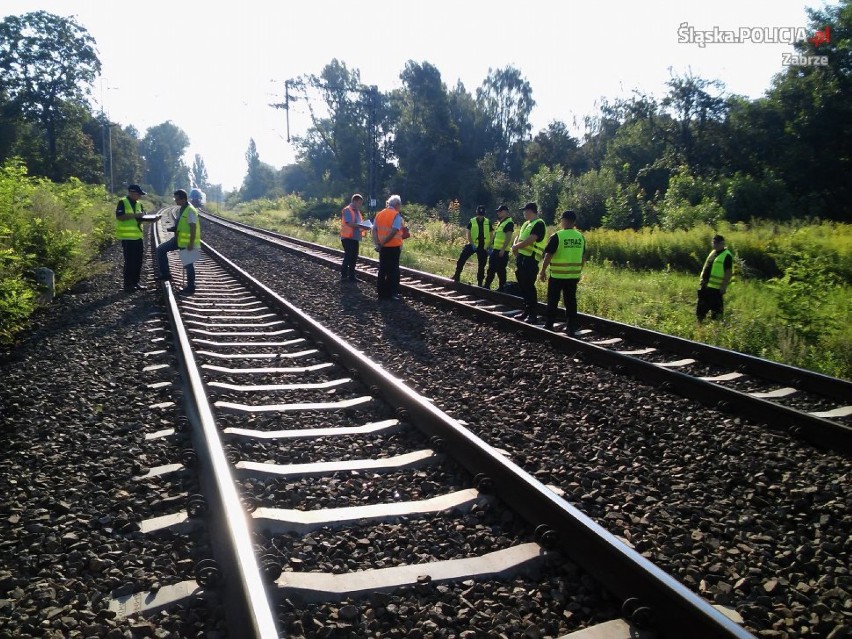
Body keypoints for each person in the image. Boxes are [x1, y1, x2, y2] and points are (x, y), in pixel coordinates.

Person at [539, 210, 586, 334]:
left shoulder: (557, 236)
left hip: (557, 275)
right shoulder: (580, 237)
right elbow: (583, 256)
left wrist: (542, 271)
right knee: (571, 301)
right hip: (573, 275)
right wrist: (579, 271)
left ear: (564, 221)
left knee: (553, 299)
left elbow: (548, 255)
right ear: (574, 222)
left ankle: (549, 324)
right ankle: (571, 326)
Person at [157, 189, 201, 295]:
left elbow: (193, 227)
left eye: (176, 199)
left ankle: (191, 287)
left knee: (188, 265)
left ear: (183, 199)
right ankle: (166, 274)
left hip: (186, 242)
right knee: (160, 249)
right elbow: (182, 225)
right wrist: (173, 229)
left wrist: (191, 243)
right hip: (178, 240)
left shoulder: (190, 210)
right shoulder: (182, 208)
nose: (175, 201)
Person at [511, 202, 548, 323]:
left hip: (531, 259)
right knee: (523, 286)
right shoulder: (527, 224)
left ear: (531, 211)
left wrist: (516, 246)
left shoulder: (539, 223)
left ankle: (532, 314)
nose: (524, 213)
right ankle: (526, 310)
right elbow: (519, 237)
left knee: (529, 287)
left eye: (525, 210)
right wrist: (515, 247)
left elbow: (532, 239)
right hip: (522, 258)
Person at [115, 184, 149, 292]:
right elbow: (120, 216)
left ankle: (136, 282)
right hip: (127, 238)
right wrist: (136, 215)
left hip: (138, 237)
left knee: (138, 261)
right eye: (138, 194)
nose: (140, 197)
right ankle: (128, 285)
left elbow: (141, 217)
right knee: (129, 261)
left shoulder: (139, 204)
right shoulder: (123, 202)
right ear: (132, 193)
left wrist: (146, 218)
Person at [372, 194, 405, 301]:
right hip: (393, 247)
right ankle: (392, 293)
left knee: (382, 270)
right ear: (397, 204)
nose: (400, 207)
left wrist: (377, 243)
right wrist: (382, 243)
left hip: (383, 248)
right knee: (393, 271)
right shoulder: (396, 215)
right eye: (400, 205)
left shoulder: (379, 214)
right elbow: (393, 231)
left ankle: (381, 293)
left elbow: (374, 230)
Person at [696, 234, 733, 321]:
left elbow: (728, 272)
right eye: (713, 243)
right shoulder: (713, 252)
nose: (714, 245)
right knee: (701, 307)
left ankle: (716, 328)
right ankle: (699, 324)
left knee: (716, 310)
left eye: (717, 243)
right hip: (705, 285)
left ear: (722, 243)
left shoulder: (727, 255)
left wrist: (723, 286)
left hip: (716, 288)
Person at [451, 205, 490, 286]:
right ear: (477, 213)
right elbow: (468, 233)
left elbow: (491, 233)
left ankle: (479, 283)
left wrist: (488, 245)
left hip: (483, 246)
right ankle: (457, 275)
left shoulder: (487, 222)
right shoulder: (472, 221)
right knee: (462, 258)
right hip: (473, 244)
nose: (480, 216)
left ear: (484, 214)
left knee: (481, 265)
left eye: (482, 214)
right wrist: (471, 243)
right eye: (479, 214)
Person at [484, 204, 514, 291]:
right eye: (497, 211)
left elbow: (508, 237)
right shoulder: (501, 222)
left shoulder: (509, 223)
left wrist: (503, 249)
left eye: (500, 211)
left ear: (505, 212)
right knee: (492, 268)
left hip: (502, 251)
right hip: (496, 250)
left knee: (500, 270)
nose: (498, 212)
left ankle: (502, 287)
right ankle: (487, 285)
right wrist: (489, 245)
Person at [340, 193, 365, 281]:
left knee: (354, 257)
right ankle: (343, 276)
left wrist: (364, 226)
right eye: (359, 203)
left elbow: (358, 223)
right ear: (354, 201)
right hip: (347, 237)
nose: (360, 205)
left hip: (355, 238)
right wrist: (361, 226)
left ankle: (352, 276)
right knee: (348, 256)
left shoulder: (357, 211)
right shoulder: (347, 210)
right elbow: (349, 223)